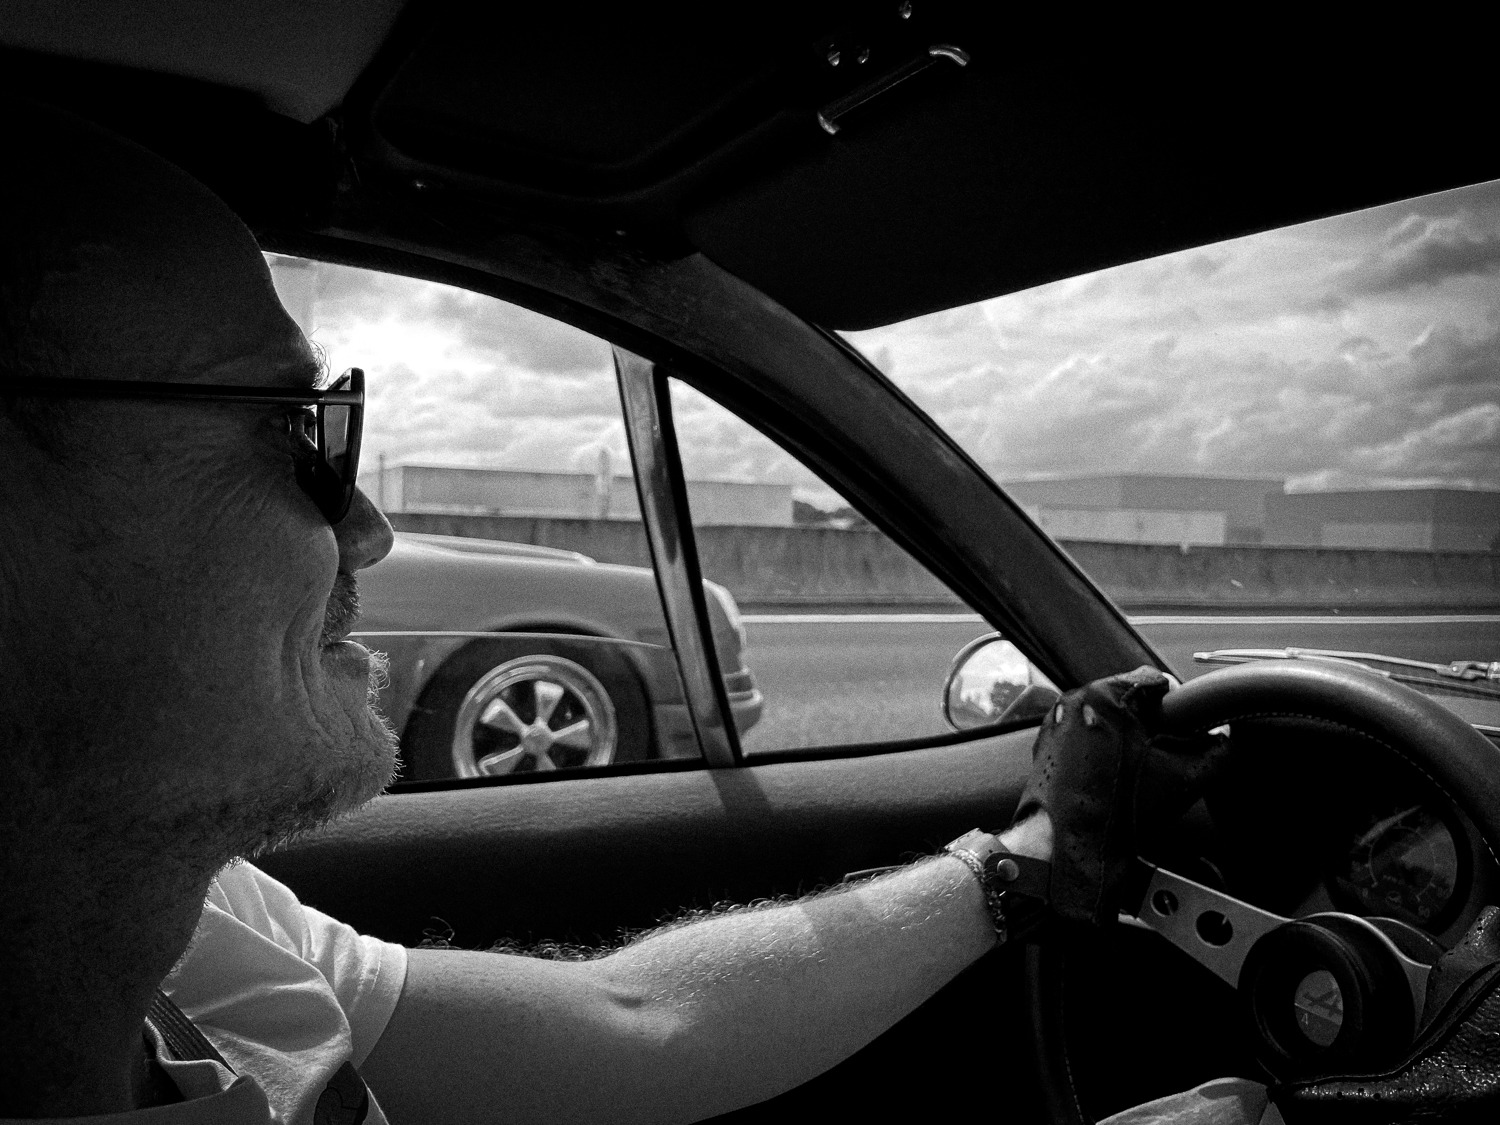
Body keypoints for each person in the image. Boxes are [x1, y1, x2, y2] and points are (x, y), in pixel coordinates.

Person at [3, 99, 1496, 1125]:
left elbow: (640, 1027)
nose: (373, 527)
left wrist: (1022, 867)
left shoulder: (202, 936)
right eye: (298, 430)